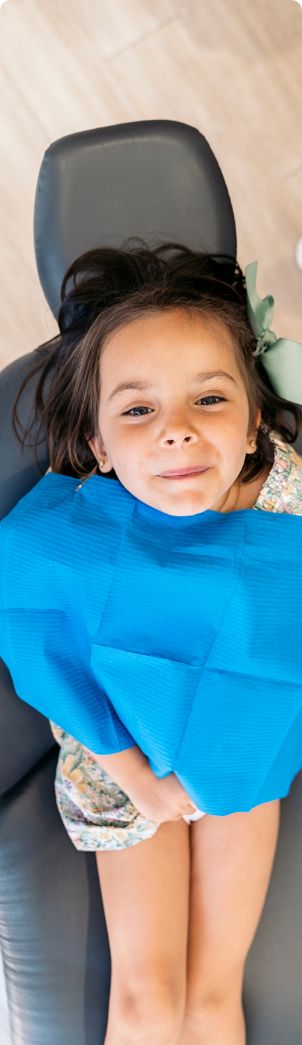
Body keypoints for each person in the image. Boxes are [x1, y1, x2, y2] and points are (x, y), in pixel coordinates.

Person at [2, 240, 302, 1044]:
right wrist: (145, 782)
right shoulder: (72, 539)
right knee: (148, 1000)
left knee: (211, 996)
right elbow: (36, 638)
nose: (176, 432)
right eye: (138, 410)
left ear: (250, 423)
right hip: (123, 764)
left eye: (208, 400)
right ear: (98, 447)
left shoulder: (288, 502)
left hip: (242, 758)